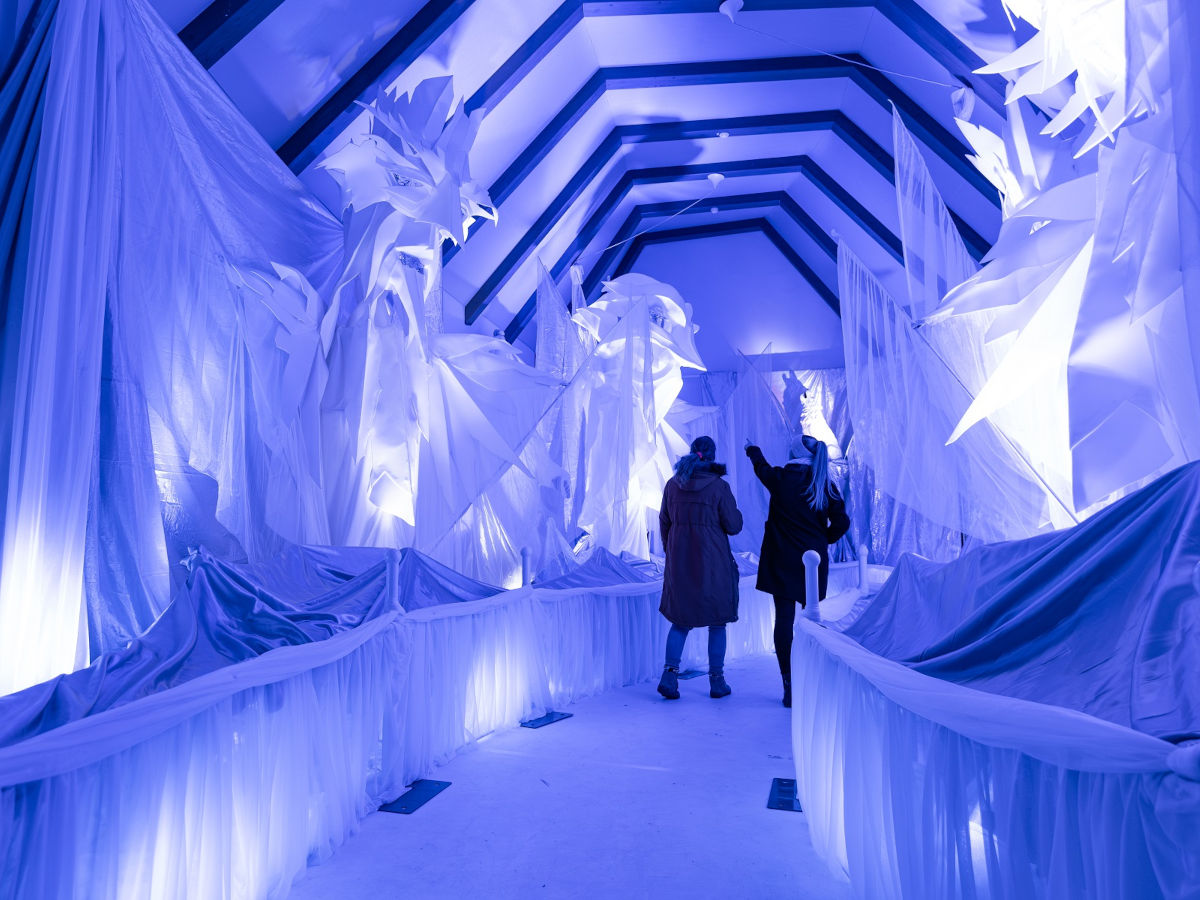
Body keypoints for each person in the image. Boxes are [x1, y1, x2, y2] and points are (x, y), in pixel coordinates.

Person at [745, 434, 850, 707]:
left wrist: (752, 449)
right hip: (812, 562)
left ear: (793, 453)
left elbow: (761, 467)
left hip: (781, 560)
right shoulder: (824, 484)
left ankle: (789, 684)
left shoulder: (780, 479)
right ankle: (813, 682)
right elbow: (842, 522)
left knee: (783, 620)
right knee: (812, 622)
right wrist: (823, 539)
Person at [657, 435, 744, 700]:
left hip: (680, 561)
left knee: (680, 621)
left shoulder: (673, 485)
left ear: (692, 453)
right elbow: (734, 525)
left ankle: (669, 676)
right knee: (717, 622)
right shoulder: (718, 487)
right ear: (713, 456)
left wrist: (672, 551)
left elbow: (664, 522)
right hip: (713, 563)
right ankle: (717, 681)